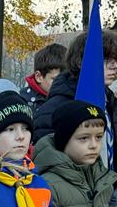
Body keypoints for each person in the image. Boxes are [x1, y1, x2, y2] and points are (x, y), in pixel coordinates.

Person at [32, 31, 117, 166]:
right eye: (105, 60)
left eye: (115, 60)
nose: (114, 66)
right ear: (81, 61)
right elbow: (48, 161)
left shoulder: (111, 102)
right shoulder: (55, 108)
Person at [20, 42, 66, 114]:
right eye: (56, 79)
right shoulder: (22, 103)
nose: (63, 84)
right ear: (38, 77)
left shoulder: (70, 98)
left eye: (67, 78)